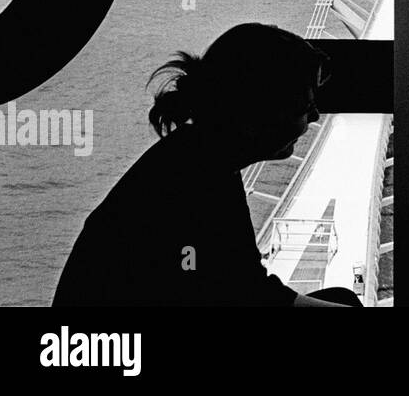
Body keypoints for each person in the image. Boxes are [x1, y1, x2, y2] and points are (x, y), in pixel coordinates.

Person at [53, 23, 358, 307]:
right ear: (253, 120)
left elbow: (242, 289)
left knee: (342, 299)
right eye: (304, 108)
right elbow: (254, 298)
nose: (315, 116)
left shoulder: (196, 157)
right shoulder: (201, 178)